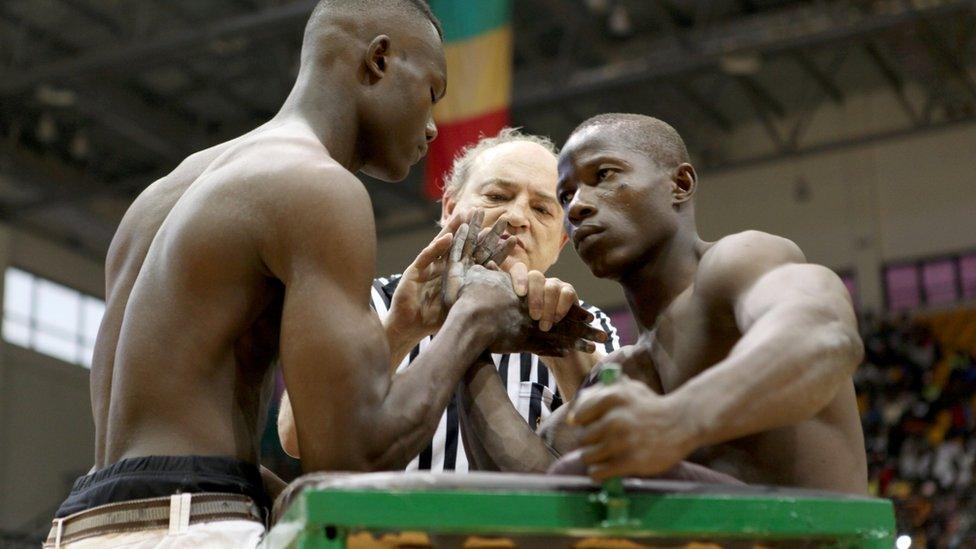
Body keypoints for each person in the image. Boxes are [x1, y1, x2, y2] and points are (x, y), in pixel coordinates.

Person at [46, 2, 600, 547]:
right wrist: (473, 322)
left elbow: (149, 450)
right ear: (378, 61)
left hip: (89, 522)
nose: (432, 127)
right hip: (191, 529)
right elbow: (344, 464)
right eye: (431, 93)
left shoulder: (165, 191)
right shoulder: (320, 186)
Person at [462, 113, 868, 494]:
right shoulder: (623, 370)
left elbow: (823, 336)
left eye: (603, 175)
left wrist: (677, 420)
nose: (578, 206)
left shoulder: (737, 262)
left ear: (681, 184)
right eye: (566, 196)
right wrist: (468, 331)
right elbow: (530, 492)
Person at [278, 129, 620, 472]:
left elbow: (618, 448)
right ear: (450, 207)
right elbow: (297, 436)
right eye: (498, 195)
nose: (517, 217)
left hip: (514, 525)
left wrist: (562, 353)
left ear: (560, 242)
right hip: (380, 524)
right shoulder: (370, 300)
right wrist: (400, 330)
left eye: (542, 209)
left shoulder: (585, 326)